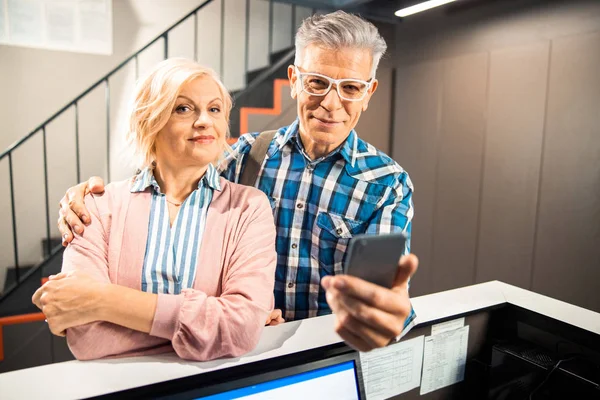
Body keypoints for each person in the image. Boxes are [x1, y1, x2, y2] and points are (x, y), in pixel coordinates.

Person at [57, 11, 418, 352]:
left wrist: (388, 311)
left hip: (326, 355)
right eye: (318, 83)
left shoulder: (385, 184)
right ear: (294, 81)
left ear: (368, 93)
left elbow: (377, 301)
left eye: (351, 88)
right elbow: (171, 176)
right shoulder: (246, 156)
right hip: (238, 355)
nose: (331, 103)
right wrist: (90, 196)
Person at [32, 58, 277, 361]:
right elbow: (87, 338)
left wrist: (101, 299)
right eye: (183, 109)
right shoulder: (95, 205)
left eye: (214, 109)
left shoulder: (248, 208)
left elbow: (239, 328)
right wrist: (209, 330)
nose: (204, 121)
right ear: (151, 120)